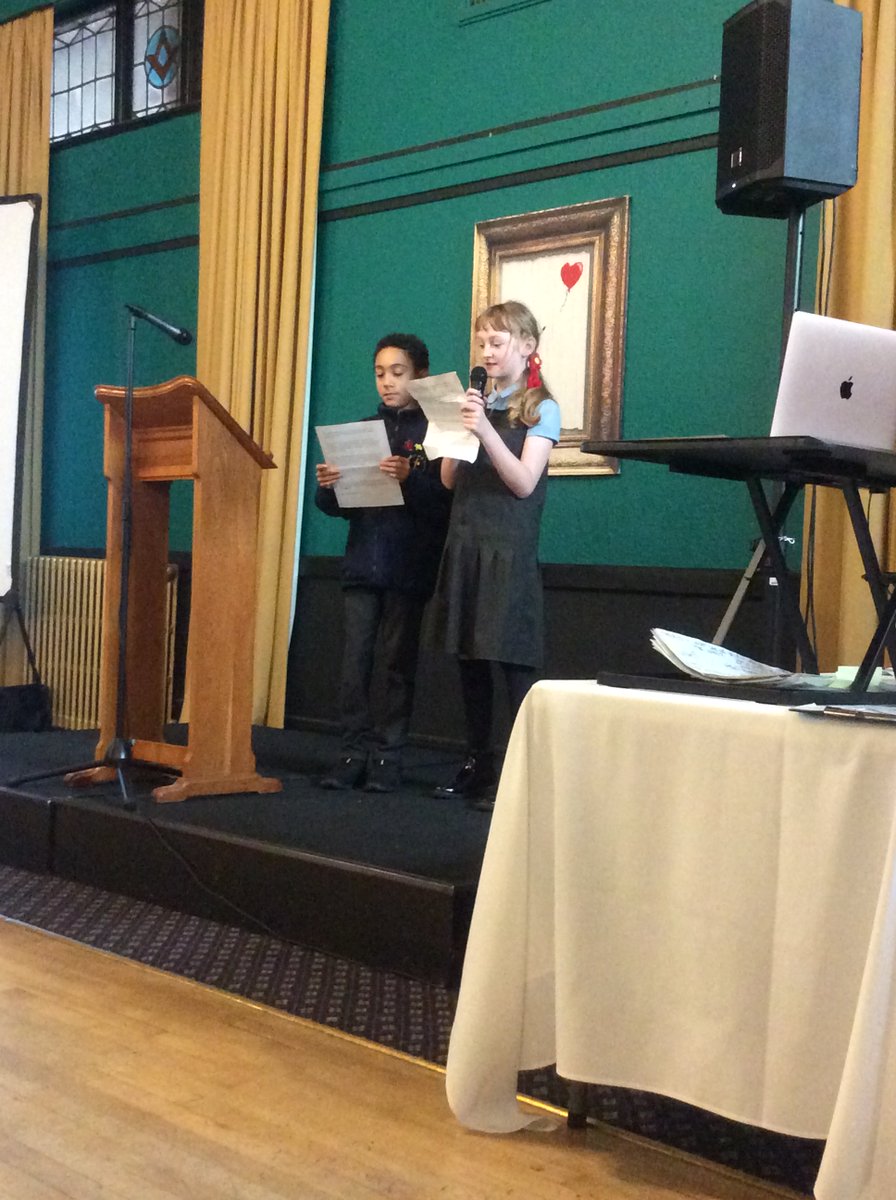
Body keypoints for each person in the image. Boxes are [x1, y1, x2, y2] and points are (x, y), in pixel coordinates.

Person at [429, 300, 560, 811]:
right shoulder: (477, 402)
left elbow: (524, 482)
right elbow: (448, 480)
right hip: (466, 541)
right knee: (470, 658)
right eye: (481, 342)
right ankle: (478, 761)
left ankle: (521, 773)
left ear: (527, 347)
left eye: (497, 342)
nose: (486, 351)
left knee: (509, 660)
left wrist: (485, 430)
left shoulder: (541, 408)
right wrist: (453, 431)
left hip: (507, 547)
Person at [315, 332, 451, 793]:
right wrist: (330, 486)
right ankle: (350, 753)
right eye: (379, 373)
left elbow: (445, 504)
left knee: (396, 665)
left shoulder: (436, 431)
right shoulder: (363, 428)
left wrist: (411, 477)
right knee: (353, 665)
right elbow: (335, 506)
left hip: (408, 566)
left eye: (398, 372)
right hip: (362, 562)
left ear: (421, 376)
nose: (387, 382)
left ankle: (388, 757)